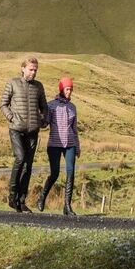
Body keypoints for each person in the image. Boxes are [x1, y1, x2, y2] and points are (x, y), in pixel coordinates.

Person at [0, 56, 48, 213]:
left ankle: (21, 201)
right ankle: (12, 197)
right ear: (23, 69)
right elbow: (3, 104)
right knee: (20, 159)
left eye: (35, 70)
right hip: (16, 129)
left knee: (28, 166)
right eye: (31, 69)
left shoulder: (39, 87)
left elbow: (44, 107)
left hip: (33, 131)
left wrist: (43, 119)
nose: (33, 72)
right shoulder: (12, 83)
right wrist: (11, 117)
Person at [37, 77, 80, 216]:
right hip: (54, 144)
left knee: (71, 172)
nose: (70, 92)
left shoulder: (73, 107)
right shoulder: (51, 106)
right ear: (62, 89)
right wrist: (38, 117)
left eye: (71, 89)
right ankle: (43, 197)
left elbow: (74, 129)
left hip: (70, 144)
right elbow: (45, 124)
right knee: (54, 174)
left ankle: (67, 206)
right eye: (68, 89)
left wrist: (77, 146)